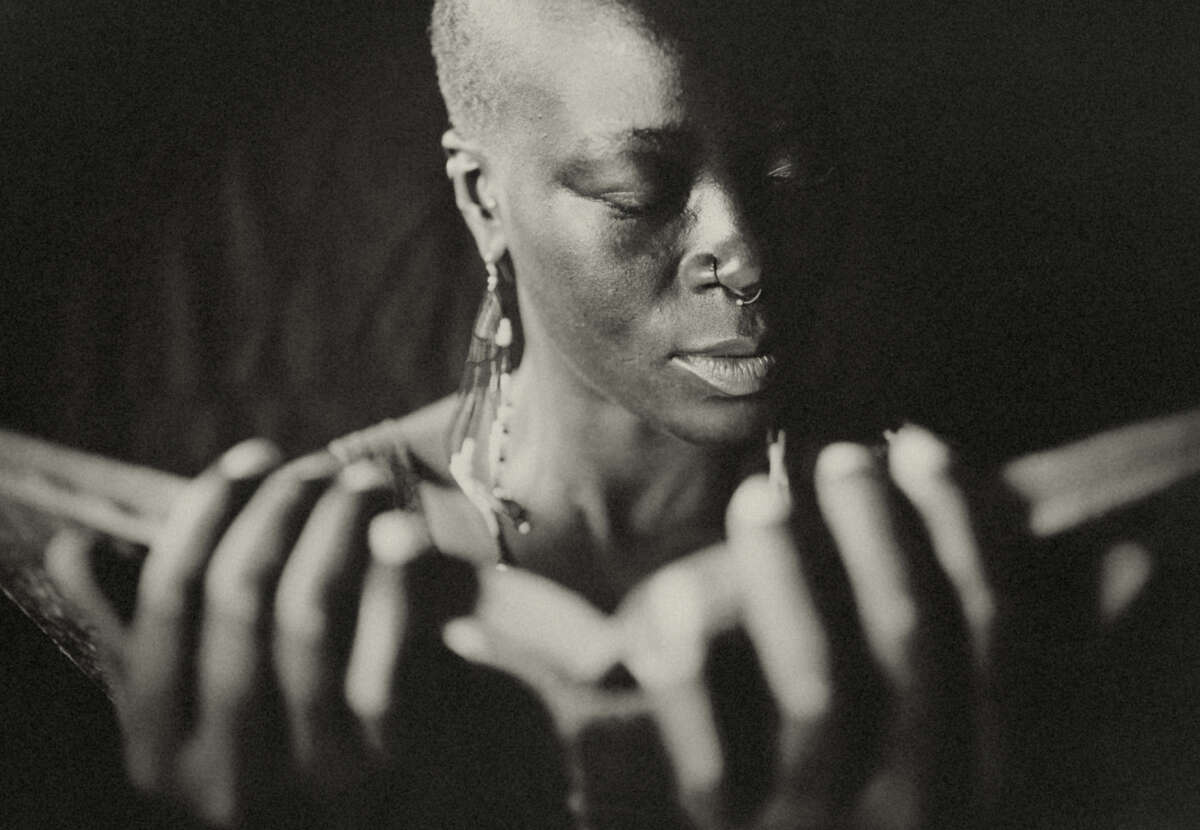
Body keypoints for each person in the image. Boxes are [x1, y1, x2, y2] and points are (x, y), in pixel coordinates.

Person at [40, 1, 1197, 828]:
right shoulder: (295, 586)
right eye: (638, 192)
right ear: (483, 199)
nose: (741, 250)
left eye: (787, 164)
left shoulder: (949, 562)